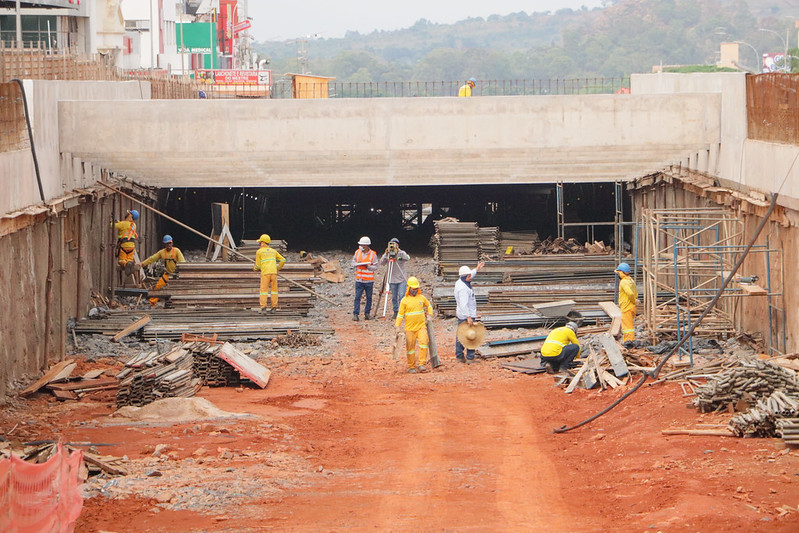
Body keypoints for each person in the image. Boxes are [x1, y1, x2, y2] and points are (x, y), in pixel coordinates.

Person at [395, 276, 433, 373]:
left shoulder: (421, 298)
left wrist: (430, 315)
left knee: (424, 343)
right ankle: (411, 366)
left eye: (416, 289)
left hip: (421, 327)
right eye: (413, 289)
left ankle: (421, 364)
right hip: (410, 329)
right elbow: (400, 314)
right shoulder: (404, 301)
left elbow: (428, 305)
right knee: (410, 348)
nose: (415, 291)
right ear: (408, 288)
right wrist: (397, 326)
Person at [139, 235, 185, 306]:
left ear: (172, 243)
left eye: (170, 243)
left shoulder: (176, 251)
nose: (168, 245)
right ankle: (152, 303)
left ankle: (180, 303)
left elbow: (183, 263)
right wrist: (142, 264)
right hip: (168, 274)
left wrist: (182, 274)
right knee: (158, 287)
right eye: (167, 243)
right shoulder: (162, 253)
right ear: (164, 244)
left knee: (179, 290)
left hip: (177, 275)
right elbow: (152, 258)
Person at [454, 261, 485, 363]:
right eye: (469, 275)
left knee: (461, 334)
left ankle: (459, 356)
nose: (470, 277)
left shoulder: (461, 281)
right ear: (465, 276)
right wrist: (468, 317)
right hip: (466, 314)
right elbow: (463, 304)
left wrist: (477, 269)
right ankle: (470, 357)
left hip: (463, 313)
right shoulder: (463, 288)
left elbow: (470, 274)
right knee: (470, 335)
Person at [253, 234, 286, 312]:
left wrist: (254, 268)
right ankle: (274, 307)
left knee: (264, 291)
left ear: (262, 242)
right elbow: (283, 260)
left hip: (265, 273)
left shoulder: (259, 252)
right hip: (273, 273)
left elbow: (258, 266)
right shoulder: (273, 251)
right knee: (274, 290)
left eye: (260, 242)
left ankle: (263, 308)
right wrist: (278, 268)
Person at [379, 237, 410, 318]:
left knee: (401, 295)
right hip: (392, 279)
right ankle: (395, 311)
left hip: (401, 279)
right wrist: (386, 254)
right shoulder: (388, 254)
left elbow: (407, 258)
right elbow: (381, 263)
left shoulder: (401, 253)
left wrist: (399, 254)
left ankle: (402, 311)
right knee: (394, 297)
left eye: (395, 244)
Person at [351, 236, 378, 321]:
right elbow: (352, 263)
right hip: (359, 279)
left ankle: (367, 313)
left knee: (369, 297)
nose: (361, 246)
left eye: (363, 245)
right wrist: (357, 264)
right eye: (361, 244)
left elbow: (376, 267)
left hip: (369, 280)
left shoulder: (373, 254)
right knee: (357, 297)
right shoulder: (357, 252)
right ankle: (356, 314)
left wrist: (368, 266)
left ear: (367, 245)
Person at [615, 262, 638, 344]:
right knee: (629, 325)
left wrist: (633, 301)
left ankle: (629, 343)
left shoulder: (624, 282)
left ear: (622, 272)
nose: (617, 274)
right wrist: (635, 302)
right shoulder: (631, 280)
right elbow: (635, 293)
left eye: (618, 272)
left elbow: (630, 293)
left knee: (627, 327)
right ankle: (629, 341)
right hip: (632, 307)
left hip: (627, 307)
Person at [113, 209, 139, 277]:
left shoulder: (123, 224)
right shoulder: (134, 225)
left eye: (128, 213)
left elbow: (113, 226)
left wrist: (112, 222)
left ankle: (125, 265)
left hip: (124, 246)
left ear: (130, 216)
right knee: (129, 259)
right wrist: (118, 222)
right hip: (132, 247)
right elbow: (125, 226)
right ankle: (130, 264)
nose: (127, 214)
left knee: (121, 260)